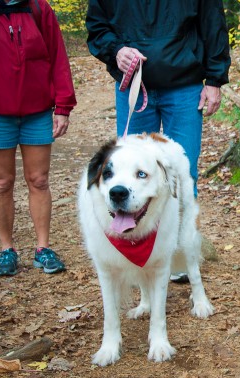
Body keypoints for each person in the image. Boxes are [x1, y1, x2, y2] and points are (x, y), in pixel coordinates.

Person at [85, 0, 231, 283]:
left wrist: (215, 79)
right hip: (134, 85)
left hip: (186, 85)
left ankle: (176, 254)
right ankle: (138, 252)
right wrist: (116, 51)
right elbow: (97, 25)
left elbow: (213, 23)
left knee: (183, 175)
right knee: (132, 171)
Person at [0, 0, 77, 276]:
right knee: (2, 183)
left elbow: (58, 57)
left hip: (37, 112)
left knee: (39, 179)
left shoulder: (38, 8)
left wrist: (63, 106)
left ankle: (43, 248)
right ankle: (7, 250)